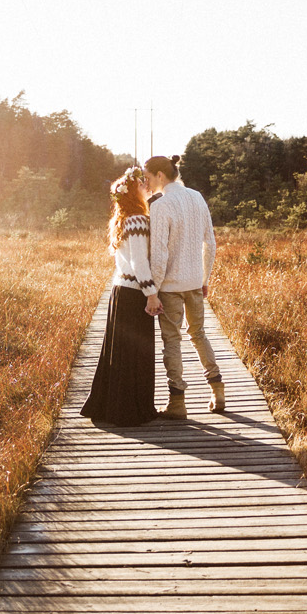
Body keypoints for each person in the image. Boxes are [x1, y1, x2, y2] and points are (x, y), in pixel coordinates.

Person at [142, 153, 224, 418]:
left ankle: (177, 402)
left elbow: (160, 253)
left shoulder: (161, 204)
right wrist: (204, 280)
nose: (146, 182)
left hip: (170, 286)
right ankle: (217, 390)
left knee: (172, 341)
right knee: (199, 335)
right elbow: (209, 243)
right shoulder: (197, 197)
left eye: (147, 177)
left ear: (160, 176)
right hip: (193, 283)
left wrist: (152, 290)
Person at [80, 166, 159, 427]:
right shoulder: (137, 220)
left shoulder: (123, 219)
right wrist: (151, 293)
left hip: (120, 291)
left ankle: (113, 405)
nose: (146, 186)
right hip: (134, 292)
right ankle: (130, 409)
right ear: (131, 192)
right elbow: (138, 262)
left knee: (122, 352)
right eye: (141, 184)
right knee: (136, 352)